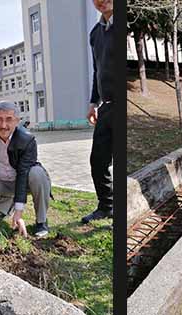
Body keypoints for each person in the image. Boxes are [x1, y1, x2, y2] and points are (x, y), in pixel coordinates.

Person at [0, 101, 52, 238]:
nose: (3, 125)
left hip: (25, 183)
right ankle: (7, 208)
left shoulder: (27, 139)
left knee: (37, 174)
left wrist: (20, 211)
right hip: (0, 181)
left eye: (9, 119)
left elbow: (23, 173)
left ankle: (41, 221)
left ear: (17, 121)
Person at [81, 0, 114, 224]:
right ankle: (107, 206)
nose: (101, 1)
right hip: (107, 106)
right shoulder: (96, 33)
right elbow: (97, 70)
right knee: (98, 160)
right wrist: (94, 102)